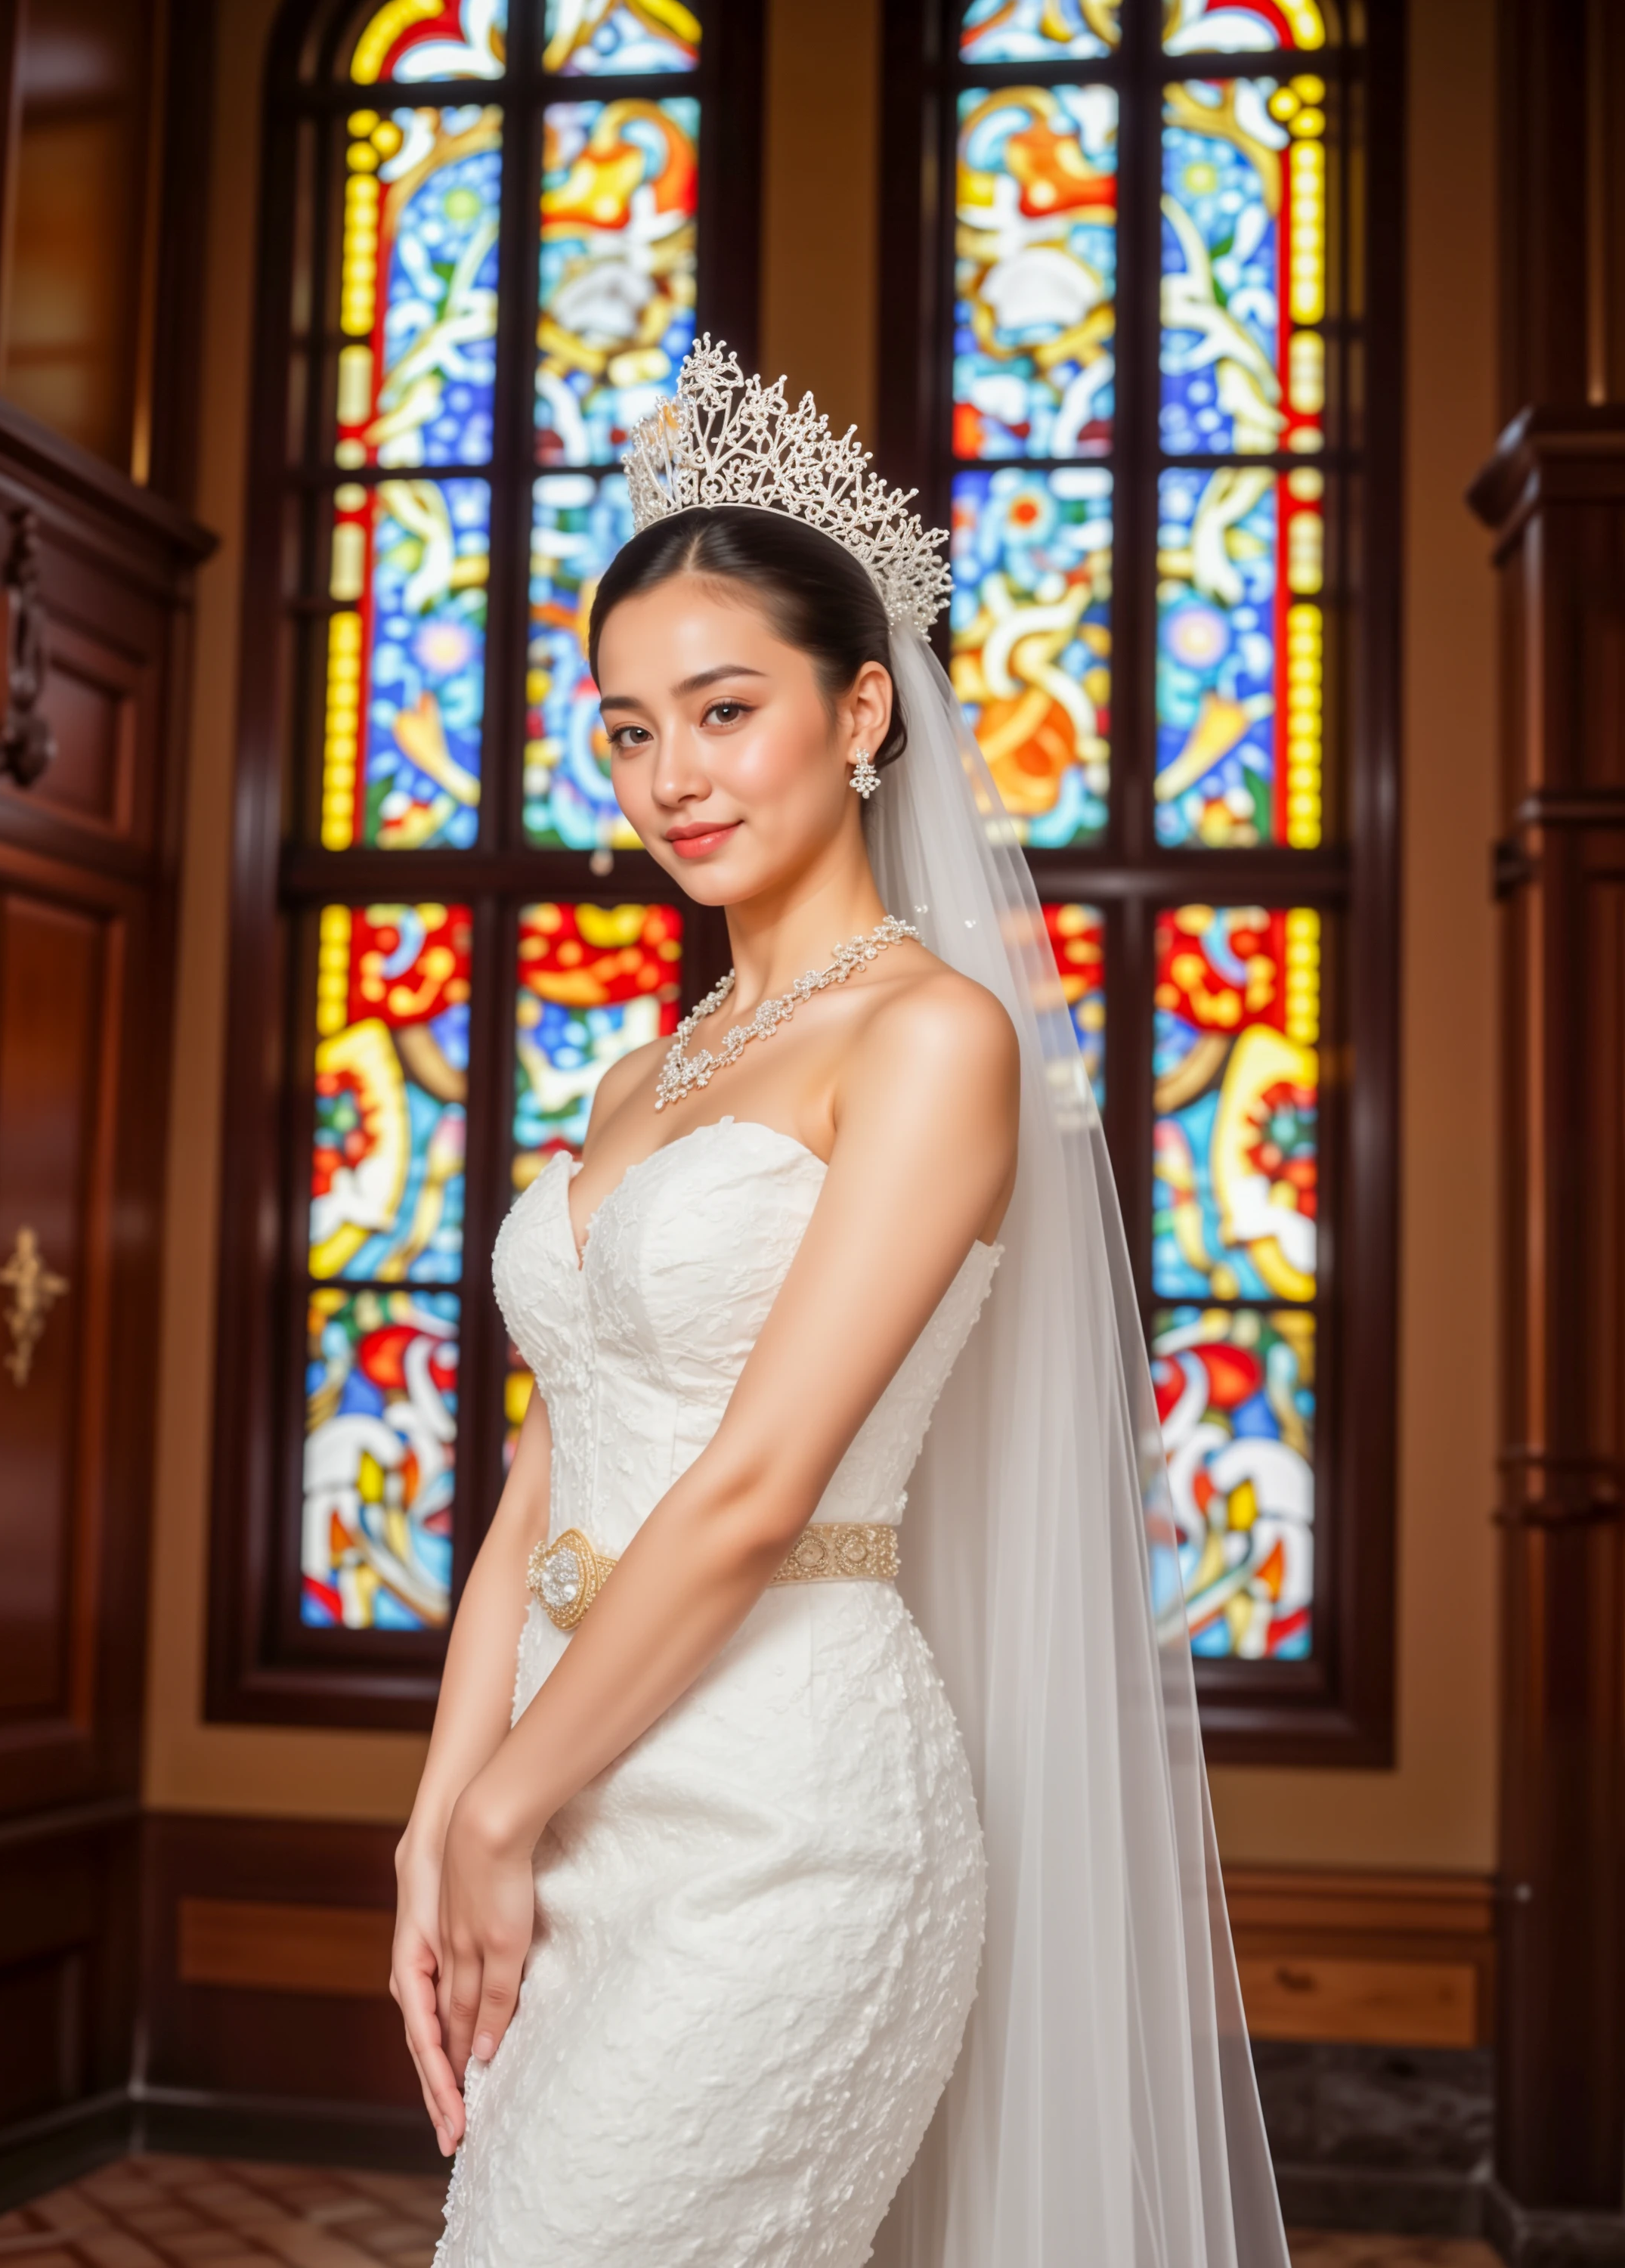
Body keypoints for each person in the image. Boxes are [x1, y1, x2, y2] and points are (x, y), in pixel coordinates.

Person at [391, 342, 1290, 2268]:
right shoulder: (643, 1077)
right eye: (626, 729)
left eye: (724, 710)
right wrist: (445, 1813)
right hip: (565, 1792)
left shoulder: (935, 1041)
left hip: (787, 1828)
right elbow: (542, 1490)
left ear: (862, 705)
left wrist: (500, 1812)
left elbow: (759, 1480)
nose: (671, 776)